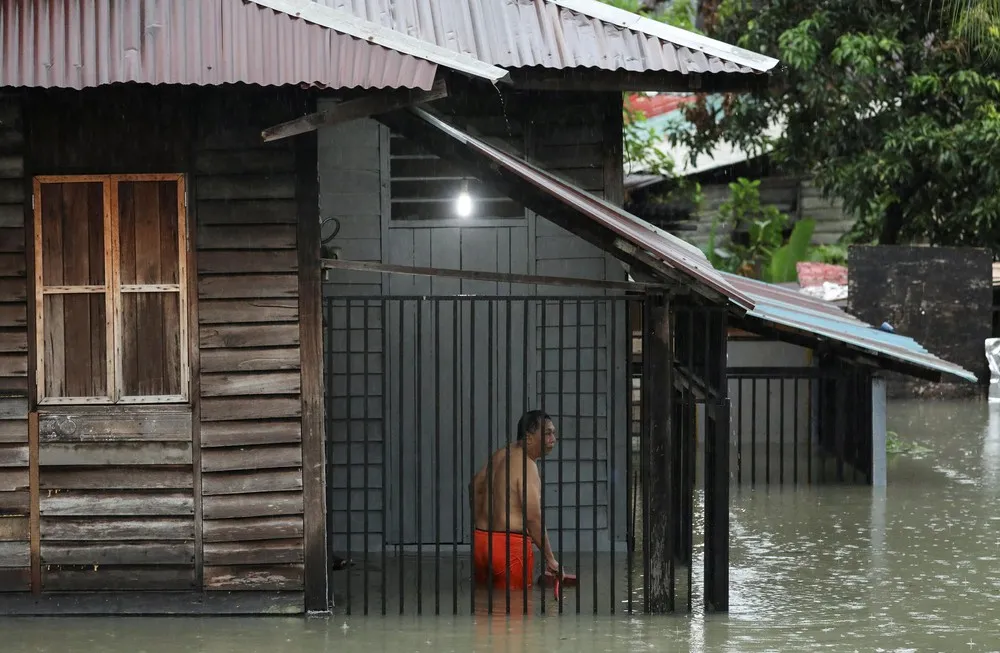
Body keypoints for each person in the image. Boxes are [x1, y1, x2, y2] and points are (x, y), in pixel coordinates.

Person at [469, 410, 564, 590]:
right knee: (516, 610)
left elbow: (474, 485)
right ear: (528, 437)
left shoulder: (500, 455)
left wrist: (484, 521)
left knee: (484, 608)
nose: (553, 438)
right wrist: (551, 560)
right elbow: (533, 518)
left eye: (554, 433)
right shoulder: (527, 466)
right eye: (547, 433)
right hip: (510, 549)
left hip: (481, 542)